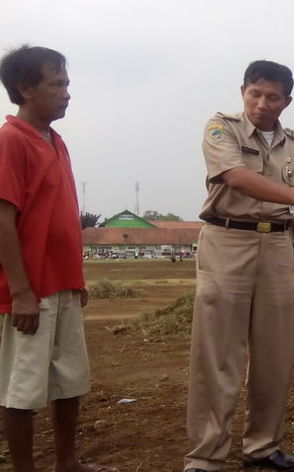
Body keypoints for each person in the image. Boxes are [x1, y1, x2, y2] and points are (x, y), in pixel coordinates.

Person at [184, 60, 294, 472]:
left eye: (272, 96)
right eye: (255, 93)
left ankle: (263, 445)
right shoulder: (222, 128)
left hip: (275, 246)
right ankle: (205, 455)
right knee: (217, 355)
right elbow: (235, 176)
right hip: (227, 240)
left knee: (274, 353)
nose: (262, 103)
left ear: (287, 101)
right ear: (242, 91)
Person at [0, 45, 117, 472]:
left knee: (70, 379)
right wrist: (21, 292)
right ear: (25, 89)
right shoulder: (11, 141)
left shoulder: (56, 141)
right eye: (57, 85)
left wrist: (78, 280)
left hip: (64, 283)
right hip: (31, 291)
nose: (67, 93)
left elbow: (61, 220)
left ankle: (68, 462)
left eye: (67, 84)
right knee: (22, 387)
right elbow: (3, 221)